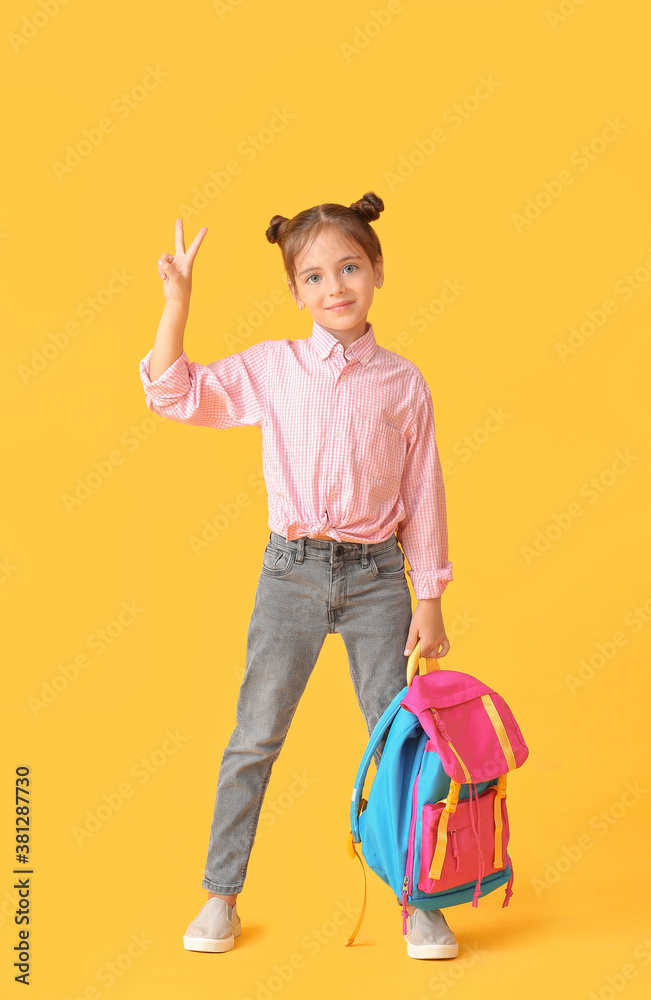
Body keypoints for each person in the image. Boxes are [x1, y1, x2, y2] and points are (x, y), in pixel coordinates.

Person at [138, 192, 457, 960]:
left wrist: (430, 598)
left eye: (349, 267)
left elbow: (423, 495)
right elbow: (173, 393)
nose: (334, 287)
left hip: (380, 577)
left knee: (403, 741)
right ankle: (220, 895)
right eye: (313, 276)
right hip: (291, 573)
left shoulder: (403, 383)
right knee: (255, 735)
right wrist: (176, 306)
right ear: (294, 292)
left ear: (376, 269)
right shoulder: (272, 369)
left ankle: (419, 901)